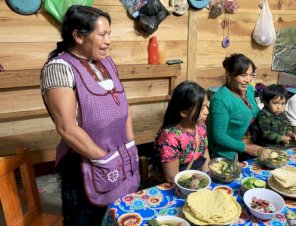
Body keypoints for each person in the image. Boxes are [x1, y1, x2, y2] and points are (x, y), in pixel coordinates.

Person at [40, 6, 140, 226]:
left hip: (118, 153)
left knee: (120, 214)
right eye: (102, 34)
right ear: (78, 36)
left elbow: (123, 105)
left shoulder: (107, 62)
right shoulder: (59, 68)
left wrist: (131, 144)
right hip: (84, 161)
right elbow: (67, 127)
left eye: (109, 34)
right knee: (88, 220)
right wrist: (104, 158)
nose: (108, 40)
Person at [208, 53, 263, 160]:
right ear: (229, 74)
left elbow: (252, 113)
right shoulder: (221, 100)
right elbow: (219, 137)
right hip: (224, 153)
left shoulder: (249, 90)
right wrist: (245, 147)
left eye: (251, 74)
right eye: (243, 75)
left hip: (245, 145)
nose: (248, 80)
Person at [154, 81, 211, 183]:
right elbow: (172, 178)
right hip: (176, 186)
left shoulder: (201, 127)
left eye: (207, 105)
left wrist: (207, 179)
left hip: (196, 181)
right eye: (201, 108)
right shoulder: (169, 137)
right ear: (184, 113)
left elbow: (205, 155)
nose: (207, 111)